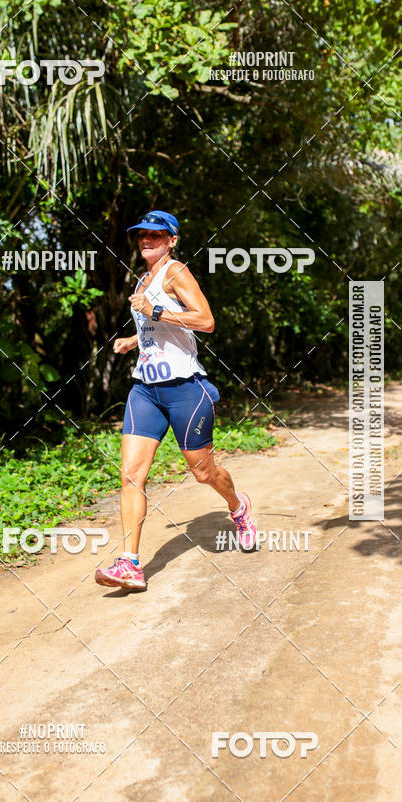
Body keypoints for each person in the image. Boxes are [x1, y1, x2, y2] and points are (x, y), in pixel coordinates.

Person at [95, 210, 258, 591]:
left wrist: (154, 309)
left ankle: (238, 507)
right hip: (145, 390)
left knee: (203, 473)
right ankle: (130, 564)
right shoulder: (143, 278)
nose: (146, 240)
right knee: (131, 475)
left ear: (171, 240)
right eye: (141, 235)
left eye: (155, 234)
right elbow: (162, 331)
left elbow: (205, 320)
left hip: (185, 388)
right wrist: (134, 340)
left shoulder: (176, 272)